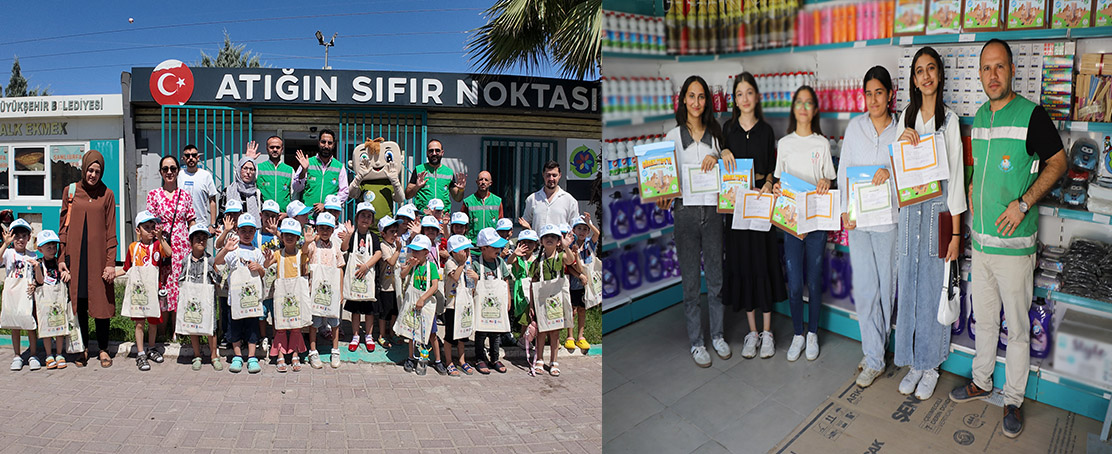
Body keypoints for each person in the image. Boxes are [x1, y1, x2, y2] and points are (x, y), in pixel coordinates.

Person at [949, 38, 1067, 439]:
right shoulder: (980, 117)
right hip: (980, 248)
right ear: (979, 74)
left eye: (999, 67)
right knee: (983, 321)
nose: (992, 75)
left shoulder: (1032, 116)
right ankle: (982, 380)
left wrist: (1024, 201)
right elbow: (974, 176)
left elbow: (1059, 162)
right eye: (986, 68)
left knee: (1016, 328)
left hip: (1014, 251)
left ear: (1013, 70)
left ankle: (1012, 398)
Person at [891, 47, 968, 400]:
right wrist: (901, 143)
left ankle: (932, 364)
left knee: (934, 289)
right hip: (910, 219)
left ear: (939, 75)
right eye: (919, 70)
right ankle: (912, 363)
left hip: (938, 217)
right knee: (908, 287)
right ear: (913, 79)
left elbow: (955, 182)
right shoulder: (905, 119)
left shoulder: (949, 122)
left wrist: (955, 234)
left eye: (931, 69)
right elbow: (896, 177)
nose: (925, 76)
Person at [837, 66, 902, 386]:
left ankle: (878, 348)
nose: (874, 99)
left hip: (888, 221)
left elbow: (910, 173)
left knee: (885, 289)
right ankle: (874, 355)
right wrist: (844, 212)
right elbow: (844, 170)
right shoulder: (854, 128)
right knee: (865, 290)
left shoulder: (902, 129)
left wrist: (890, 174)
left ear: (890, 94)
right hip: (859, 221)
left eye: (879, 92)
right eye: (869, 93)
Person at [660, 75, 729, 367]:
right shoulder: (671, 137)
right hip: (685, 214)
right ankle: (697, 342)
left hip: (713, 213)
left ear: (707, 101)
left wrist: (722, 155)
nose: (696, 102)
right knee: (690, 283)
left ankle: (718, 335)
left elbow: (729, 175)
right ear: (683, 100)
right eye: (691, 96)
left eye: (701, 97)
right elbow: (663, 180)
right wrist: (662, 196)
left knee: (716, 279)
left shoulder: (716, 135)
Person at [721, 72, 788, 360]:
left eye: (749, 92)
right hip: (736, 206)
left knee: (763, 262)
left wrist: (770, 183)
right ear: (734, 100)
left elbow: (773, 167)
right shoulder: (728, 129)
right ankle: (751, 332)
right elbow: (721, 166)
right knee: (743, 263)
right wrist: (722, 149)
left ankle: (768, 332)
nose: (744, 98)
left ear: (757, 97)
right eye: (739, 94)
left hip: (761, 202)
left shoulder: (766, 130)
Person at [766, 85, 835, 362]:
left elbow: (829, 180)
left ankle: (813, 333)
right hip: (792, 224)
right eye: (799, 103)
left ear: (815, 110)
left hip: (817, 223)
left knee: (814, 281)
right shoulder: (784, 144)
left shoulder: (822, 144)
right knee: (794, 283)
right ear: (793, 109)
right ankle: (798, 333)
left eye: (809, 103)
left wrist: (826, 182)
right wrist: (775, 189)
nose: (804, 108)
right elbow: (779, 182)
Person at [59, 150, 118, 368]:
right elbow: (63, 226)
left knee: (101, 302)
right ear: (83, 168)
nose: (93, 175)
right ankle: (82, 348)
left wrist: (111, 263)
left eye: (97, 171)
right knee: (80, 302)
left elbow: (111, 230)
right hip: (76, 257)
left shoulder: (107, 194)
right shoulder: (71, 191)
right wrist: (62, 257)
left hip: (98, 258)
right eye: (90, 170)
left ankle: (103, 348)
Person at [146, 154, 195, 340]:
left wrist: (193, 248)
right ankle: (160, 329)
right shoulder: (153, 195)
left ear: (178, 171)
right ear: (160, 172)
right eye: (165, 169)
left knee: (179, 287)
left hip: (182, 247)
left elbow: (191, 221)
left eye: (173, 168)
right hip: (161, 247)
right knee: (163, 286)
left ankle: (177, 329)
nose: (169, 172)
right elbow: (149, 224)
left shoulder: (185, 196)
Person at [120, 211, 172, 371]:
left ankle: (151, 347)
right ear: (138, 230)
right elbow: (127, 268)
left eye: (152, 227)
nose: (150, 230)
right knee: (139, 324)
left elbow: (169, 253)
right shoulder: (133, 248)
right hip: (138, 293)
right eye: (146, 227)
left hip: (153, 291)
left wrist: (161, 237)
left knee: (153, 323)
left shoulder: (158, 245)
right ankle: (141, 352)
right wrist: (111, 273)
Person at [215, 213, 265, 374]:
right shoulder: (232, 250)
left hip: (252, 300)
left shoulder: (257, 252)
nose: (247, 234)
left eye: (251, 231)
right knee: (234, 328)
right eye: (244, 231)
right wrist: (225, 248)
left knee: (252, 329)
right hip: (235, 299)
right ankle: (237, 356)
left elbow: (263, 273)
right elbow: (217, 262)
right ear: (237, 231)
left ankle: (251, 357)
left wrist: (259, 268)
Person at [531, 224, 576, 377]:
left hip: (557, 300)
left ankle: (554, 361)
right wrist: (531, 304)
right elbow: (533, 283)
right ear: (541, 241)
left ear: (558, 241)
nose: (549, 239)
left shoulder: (561, 256)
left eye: (553, 237)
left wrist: (566, 247)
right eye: (546, 237)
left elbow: (570, 260)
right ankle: (539, 359)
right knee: (541, 331)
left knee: (555, 332)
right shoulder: (538, 262)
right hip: (542, 301)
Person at [266, 218, 309, 373]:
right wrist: (265, 260)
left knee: (296, 326)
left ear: (298, 237)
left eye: (293, 235)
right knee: (281, 327)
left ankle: (295, 353)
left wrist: (308, 242)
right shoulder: (278, 254)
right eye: (286, 234)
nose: (289, 237)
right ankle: (281, 354)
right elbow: (266, 265)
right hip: (281, 294)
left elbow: (305, 271)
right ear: (281, 237)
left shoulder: (301, 255)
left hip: (297, 293)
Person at [180, 224, 223, 371]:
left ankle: (214, 355)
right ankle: (197, 355)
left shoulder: (210, 260)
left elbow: (218, 279)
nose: (201, 241)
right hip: (191, 299)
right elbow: (181, 279)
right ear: (191, 241)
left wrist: (216, 272)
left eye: (204, 238)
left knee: (211, 328)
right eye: (197, 238)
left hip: (207, 299)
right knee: (193, 326)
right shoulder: (185, 261)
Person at [341, 202, 382, 353]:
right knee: (356, 309)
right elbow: (344, 248)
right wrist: (349, 234)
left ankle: (369, 335)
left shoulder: (375, 238)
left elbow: (378, 253)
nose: (365, 219)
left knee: (369, 309)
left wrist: (366, 266)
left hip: (368, 276)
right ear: (357, 217)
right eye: (362, 215)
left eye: (369, 216)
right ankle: (356, 335)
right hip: (355, 278)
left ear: (372, 220)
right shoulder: (353, 235)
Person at [306, 212, 345, 369]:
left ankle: (335, 350)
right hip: (315, 290)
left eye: (328, 228)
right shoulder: (312, 246)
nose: (324, 231)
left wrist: (341, 291)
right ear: (316, 228)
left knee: (334, 322)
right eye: (321, 228)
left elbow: (340, 268)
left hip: (332, 290)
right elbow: (304, 256)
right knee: (314, 322)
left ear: (332, 230)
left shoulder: (336, 247)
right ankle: (313, 351)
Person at [471, 228, 513, 375]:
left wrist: (508, 298)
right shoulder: (476, 265)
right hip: (482, 305)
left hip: (497, 305)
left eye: (499, 246)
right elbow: (472, 285)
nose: (498, 249)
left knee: (496, 333)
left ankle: (495, 358)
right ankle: (479, 358)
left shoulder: (500, 262)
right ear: (483, 248)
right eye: (494, 247)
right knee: (481, 332)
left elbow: (505, 280)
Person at [400, 234, 441, 376]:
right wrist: (410, 265)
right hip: (413, 303)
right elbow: (402, 275)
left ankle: (437, 360)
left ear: (426, 252)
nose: (415, 253)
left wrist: (423, 298)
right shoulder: (413, 265)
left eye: (418, 251)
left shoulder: (431, 267)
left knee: (432, 333)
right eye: (413, 250)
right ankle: (411, 357)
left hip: (427, 304)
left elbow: (434, 286)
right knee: (412, 332)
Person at [346, 138, 405, 231]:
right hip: (366, 229)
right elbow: (351, 194)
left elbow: (400, 199)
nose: (377, 163)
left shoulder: (389, 182)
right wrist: (359, 176)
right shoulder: (363, 183)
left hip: (386, 229)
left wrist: (395, 181)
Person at [4, 219, 40, 371]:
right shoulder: (8, 253)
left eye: (23, 236)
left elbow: (38, 276)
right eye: (16, 236)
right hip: (12, 294)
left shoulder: (33, 255)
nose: (20, 239)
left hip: (27, 294)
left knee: (30, 324)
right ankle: (17, 355)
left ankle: (33, 354)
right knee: (14, 325)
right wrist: (5, 244)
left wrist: (35, 284)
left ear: (28, 238)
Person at [33, 230, 70, 370]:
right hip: (45, 300)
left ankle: (60, 353)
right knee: (47, 328)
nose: (52, 249)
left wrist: (67, 274)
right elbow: (40, 281)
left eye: (54, 246)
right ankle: (49, 355)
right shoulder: (38, 264)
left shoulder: (60, 263)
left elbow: (66, 276)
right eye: (48, 247)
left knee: (60, 326)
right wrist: (37, 268)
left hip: (59, 299)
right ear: (40, 249)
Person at [441, 234, 477, 377]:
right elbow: (455, 277)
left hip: (465, 304)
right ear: (453, 252)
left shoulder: (469, 263)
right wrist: (462, 264)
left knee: (462, 335)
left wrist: (476, 278)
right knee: (450, 336)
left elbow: (471, 284)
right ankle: (449, 361)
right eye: (463, 250)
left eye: (467, 250)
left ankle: (462, 360)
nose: (466, 253)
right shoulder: (450, 263)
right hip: (452, 305)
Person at [565, 215, 599, 352]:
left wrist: (589, 222)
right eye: (579, 228)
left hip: (587, 284)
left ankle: (581, 336)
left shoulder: (589, 244)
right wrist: (579, 275)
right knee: (572, 310)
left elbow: (597, 233)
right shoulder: (570, 245)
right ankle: (570, 336)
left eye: (585, 229)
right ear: (573, 230)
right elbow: (569, 265)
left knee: (582, 310)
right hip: (574, 283)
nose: (582, 231)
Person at [294, 129, 348, 213]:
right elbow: (296, 188)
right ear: (318, 143)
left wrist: (328, 205)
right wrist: (304, 171)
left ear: (333, 145)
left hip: (328, 218)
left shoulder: (339, 167)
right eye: (323, 142)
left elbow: (344, 192)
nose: (326, 146)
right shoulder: (307, 162)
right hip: (307, 218)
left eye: (329, 143)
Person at [405, 139, 465, 211]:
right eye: (431, 151)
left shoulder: (449, 172)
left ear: (442, 152)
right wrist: (417, 187)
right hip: (424, 217)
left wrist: (461, 189)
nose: (434, 153)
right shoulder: (419, 170)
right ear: (427, 153)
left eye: (437, 150)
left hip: (442, 218)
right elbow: (407, 195)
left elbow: (457, 198)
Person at [520, 161, 579, 231]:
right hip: (538, 241)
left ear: (560, 175)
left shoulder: (570, 200)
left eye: (554, 175)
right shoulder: (532, 199)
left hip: (561, 242)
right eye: (548, 175)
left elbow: (575, 227)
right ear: (543, 175)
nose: (551, 179)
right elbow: (525, 223)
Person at [177, 144, 219, 235]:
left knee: (199, 248)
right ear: (183, 158)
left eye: (193, 155)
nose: (191, 158)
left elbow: (212, 201)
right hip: (181, 224)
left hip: (200, 224)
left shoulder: (206, 175)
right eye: (187, 156)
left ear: (198, 157)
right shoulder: (179, 175)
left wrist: (213, 224)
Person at [247, 137, 297, 214]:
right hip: (265, 215)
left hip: (283, 215)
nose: (275, 149)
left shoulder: (289, 170)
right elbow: (244, 182)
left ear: (282, 149)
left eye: (278, 147)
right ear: (267, 149)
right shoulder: (259, 168)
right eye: (272, 147)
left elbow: (294, 195)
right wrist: (248, 160)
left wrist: (288, 214)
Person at [376, 216, 403, 348]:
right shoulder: (383, 246)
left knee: (394, 311)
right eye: (391, 231)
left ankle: (392, 332)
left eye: (396, 231)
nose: (395, 234)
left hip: (396, 285)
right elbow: (391, 262)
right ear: (383, 233)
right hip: (386, 285)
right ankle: (382, 335)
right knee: (385, 312)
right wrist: (398, 250)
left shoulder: (394, 245)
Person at [461, 171, 504, 247]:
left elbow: (501, 224)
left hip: (491, 245)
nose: (483, 182)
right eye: (481, 179)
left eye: (486, 180)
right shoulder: (468, 201)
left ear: (490, 183)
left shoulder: (497, 201)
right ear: (477, 182)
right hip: (473, 245)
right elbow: (462, 224)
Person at [225, 156, 263, 224]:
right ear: (239, 170)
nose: (248, 172)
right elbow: (222, 215)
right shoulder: (228, 191)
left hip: (252, 231)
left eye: (251, 169)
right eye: (245, 168)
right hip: (232, 231)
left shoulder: (257, 193)